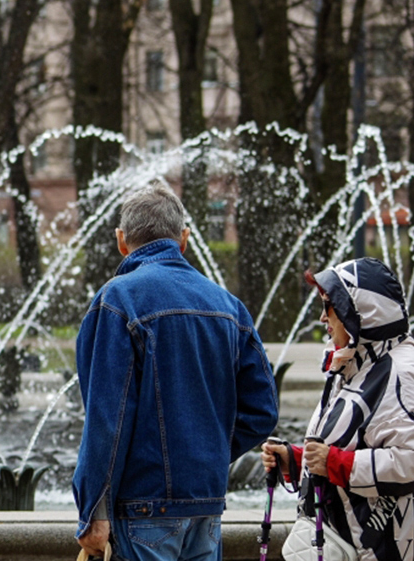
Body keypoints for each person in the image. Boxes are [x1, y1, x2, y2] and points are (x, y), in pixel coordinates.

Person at [73, 184, 281, 561]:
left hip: (143, 504)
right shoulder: (228, 305)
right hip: (206, 505)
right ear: (183, 240)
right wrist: (207, 452)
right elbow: (263, 411)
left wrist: (93, 510)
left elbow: (107, 419)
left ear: (122, 241)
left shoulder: (118, 299)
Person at [260, 258, 414, 561]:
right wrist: (297, 459)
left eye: (329, 306)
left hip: (392, 548)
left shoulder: (401, 371)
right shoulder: (358, 365)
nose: (322, 318)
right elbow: (352, 446)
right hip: (360, 544)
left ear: (359, 313)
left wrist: (334, 463)